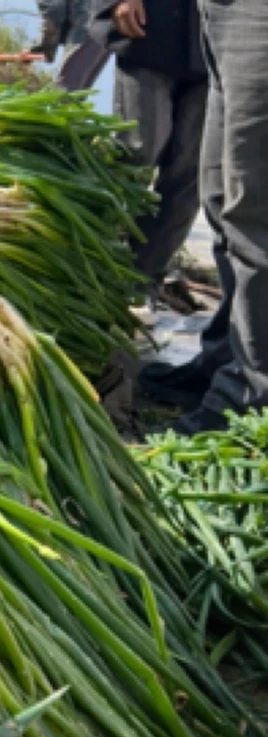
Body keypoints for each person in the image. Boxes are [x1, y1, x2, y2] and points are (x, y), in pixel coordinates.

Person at [136, 0, 268, 433]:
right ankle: (225, 362)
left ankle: (251, 394)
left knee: (254, 208)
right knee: (218, 194)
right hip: (219, 13)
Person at [88, 0, 205, 306]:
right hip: (150, 29)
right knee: (135, 156)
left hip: (215, 42)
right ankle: (97, 272)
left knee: (189, 176)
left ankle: (139, 286)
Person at [36, 0, 108, 91]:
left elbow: (54, 9)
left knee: (65, 88)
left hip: (90, 20)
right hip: (110, 23)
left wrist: (45, 47)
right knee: (78, 90)